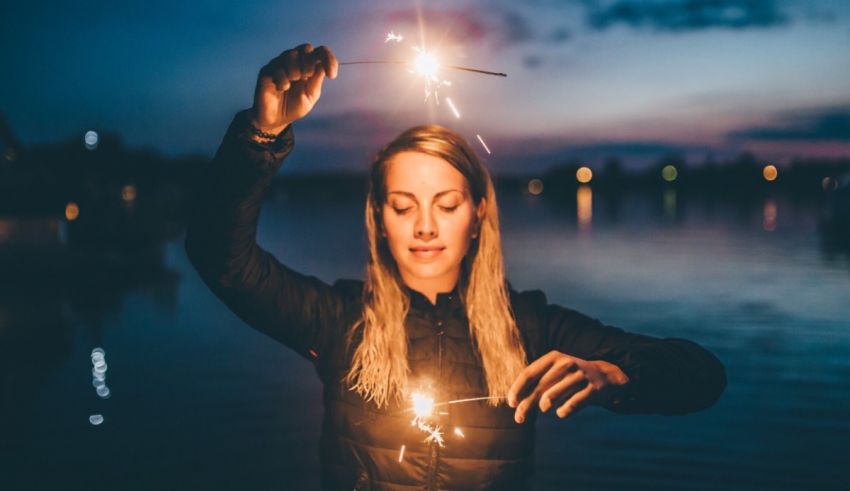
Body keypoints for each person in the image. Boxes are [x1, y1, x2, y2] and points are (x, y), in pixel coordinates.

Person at [185, 43, 726, 490]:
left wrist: (615, 375)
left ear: (477, 213)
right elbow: (220, 260)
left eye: (446, 204)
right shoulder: (340, 320)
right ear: (378, 218)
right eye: (403, 205)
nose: (424, 226)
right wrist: (261, 134)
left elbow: (703, 376)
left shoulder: (530, 326)